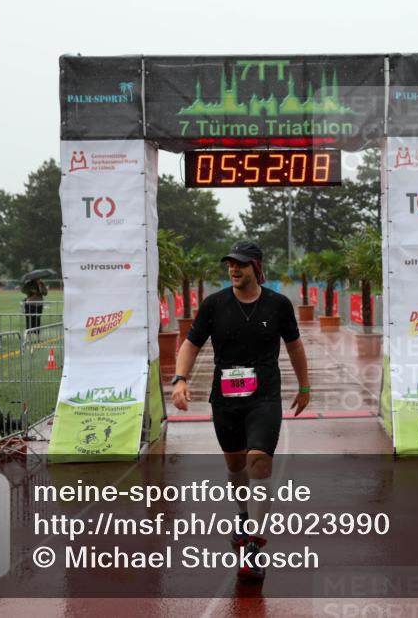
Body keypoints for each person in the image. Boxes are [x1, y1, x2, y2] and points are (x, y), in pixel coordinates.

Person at [171, 240, 310, 582]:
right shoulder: (214, 305)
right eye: (230, 264)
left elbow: (294, 346)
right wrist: (179, 378)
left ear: (256, 268)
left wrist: (304, 387)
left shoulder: (278, 305)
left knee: (259, 460)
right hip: (225, 400)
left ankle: (254, 545)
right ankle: (243, 514)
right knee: (236, 465)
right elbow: (190, 344)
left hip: (264, 397)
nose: (234, 269)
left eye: (241, 264)